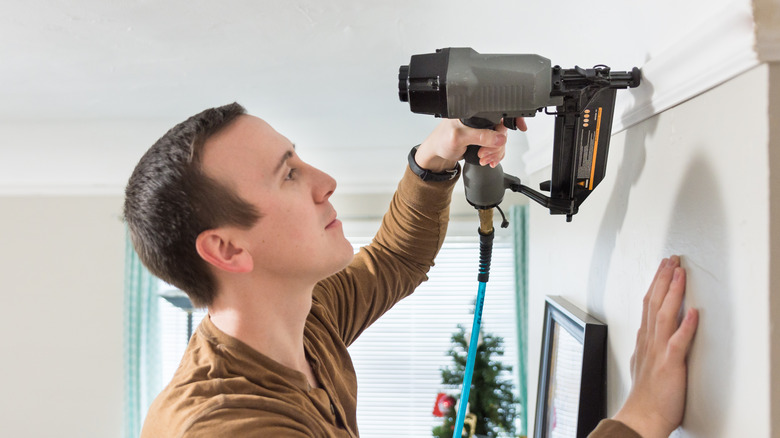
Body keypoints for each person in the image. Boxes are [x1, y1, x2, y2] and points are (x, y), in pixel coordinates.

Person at [124, 102, 697, 437]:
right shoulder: (227, 428)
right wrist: (640, 417)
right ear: (226, 250)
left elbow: (394, 259)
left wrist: (438, 154)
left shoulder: (300, 321)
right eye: (289, 175)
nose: (326, 182)